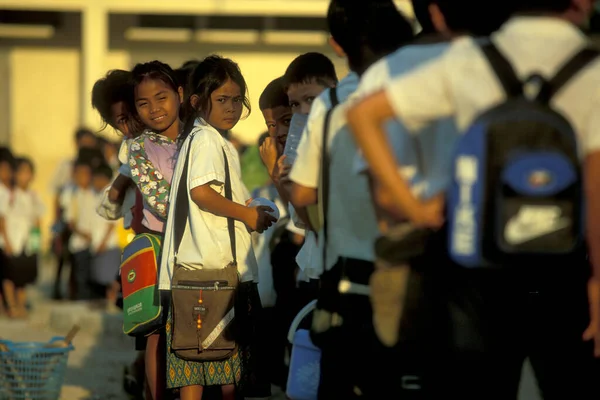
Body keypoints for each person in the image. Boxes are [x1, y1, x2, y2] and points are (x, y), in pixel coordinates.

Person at [348, 0, 600, 398]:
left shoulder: (473, 59)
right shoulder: (592, 68)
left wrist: (415, 207)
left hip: (476, 263)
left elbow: (364, 115)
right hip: (564, 267)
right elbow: (595, 184)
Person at [287, 1, 414, 397]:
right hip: (404, 269)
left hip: (343, 277)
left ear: (336, 46)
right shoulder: (419, 88)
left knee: (339, 379)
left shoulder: (330, 103)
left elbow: (304, 192)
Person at [159, 55, 275, 400]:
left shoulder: (201, 138)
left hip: (197, 272)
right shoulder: (207, 140)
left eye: (237, 99)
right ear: (197, 102)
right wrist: (246, 215)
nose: (231, 107)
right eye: (222, 99)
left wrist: (248, 210)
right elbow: (201, 193)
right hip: (214, 275)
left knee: (192, 362)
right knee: (229, 372)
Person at [129, 60, 183, 400]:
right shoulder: (139, 148)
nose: (154, 109)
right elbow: (161, 201)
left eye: (161, 97)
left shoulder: (201, 137)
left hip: (202, 247)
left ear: (179, 94)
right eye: (143, 103)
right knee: (157, 332)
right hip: (160, 247)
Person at [51, 128, 98, 300]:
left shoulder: (94, 163)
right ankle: (58, 288)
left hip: (85, 218)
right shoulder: (67, 165)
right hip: (69, 215)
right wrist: (58, 220)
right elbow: (58, 194)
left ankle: (76, 291)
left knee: (80, 260)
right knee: (63, 256)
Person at [0, 157, 44, 318]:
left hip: (27, 242)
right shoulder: (8, 195)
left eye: (27, 173)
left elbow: (37, 221)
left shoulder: (34, 197)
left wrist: (36, 243)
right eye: (21, 173)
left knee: (23, 277)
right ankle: (11, 305)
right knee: (9, 276)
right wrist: (7, 242)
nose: (24, 177)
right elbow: (2, 221)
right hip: (11, 241)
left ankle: (21, 305)